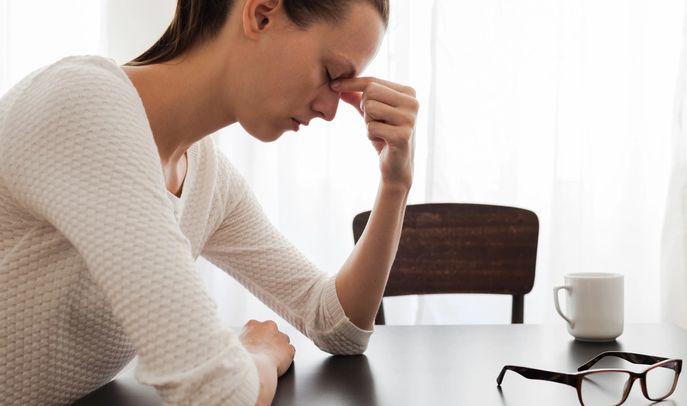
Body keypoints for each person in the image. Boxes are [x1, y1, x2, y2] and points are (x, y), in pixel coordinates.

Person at [0, 0, 417, 404]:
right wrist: (261, 355)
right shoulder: (85, 105)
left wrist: (395, 184)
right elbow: (216, 393)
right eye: (330, 74)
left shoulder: (206, 177)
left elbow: (338, 326)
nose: (331, 110)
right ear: (261, 14)